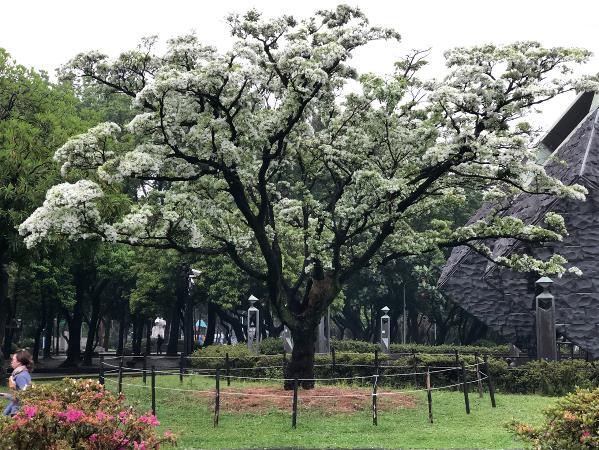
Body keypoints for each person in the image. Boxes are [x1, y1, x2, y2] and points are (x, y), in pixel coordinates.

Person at [2, 349, 33, 416]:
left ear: (19, 362)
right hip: (17, 412)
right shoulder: (22, 373)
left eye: (13, 360)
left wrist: (8, 395)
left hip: (18, 414)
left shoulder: (20, 376)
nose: (11, 362)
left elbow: (24, 397)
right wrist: (4, 414)